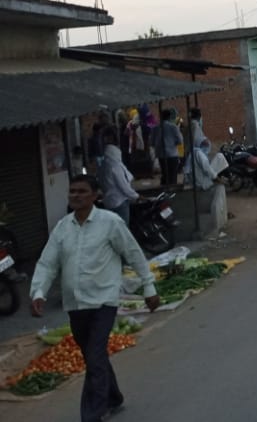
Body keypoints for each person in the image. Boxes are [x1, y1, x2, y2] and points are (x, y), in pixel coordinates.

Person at [30, 174, 160, 421]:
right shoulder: (62, 227)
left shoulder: (110, 223)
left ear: (95, 195)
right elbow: (47, 263)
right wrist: (38, 292)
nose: (76, 196)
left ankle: (92, 414)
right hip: (75, 303)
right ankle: (114, 397)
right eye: (72, 191)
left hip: (103, 300)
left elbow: (133, 253)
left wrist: (149, 287)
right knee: (93, 355)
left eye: (82, 191)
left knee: (95, 354)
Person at [97, 128, 139, 225]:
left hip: (109, 202)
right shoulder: (115, 166)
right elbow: (123, 187)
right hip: (119, 202)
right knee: (123, 228)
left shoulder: (103, 164)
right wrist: (136, 196)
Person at [151, 108, 183, 187]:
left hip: (161, 154)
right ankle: (172, 189)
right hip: (172, 154)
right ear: (169, 117)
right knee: (173, 174)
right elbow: (180, 141)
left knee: (165, 173)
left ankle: (165, 188)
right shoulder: (173, 127)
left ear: (160, 117)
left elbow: (152, 142)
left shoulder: (155, 128)